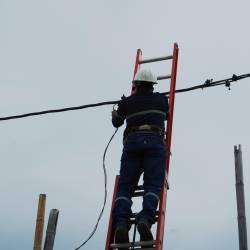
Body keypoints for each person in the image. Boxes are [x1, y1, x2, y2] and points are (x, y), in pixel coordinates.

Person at [111, 69, 168, 248]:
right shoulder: (161, 99)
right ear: (152, 85)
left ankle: (121, 223)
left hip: (132, 143)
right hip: (154, 141)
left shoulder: (127, 103)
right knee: (152, 185)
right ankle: (145, 218)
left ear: (135, 84)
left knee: (125, 187)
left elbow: (116, 122)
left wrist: (122, 105)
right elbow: (166, 113)